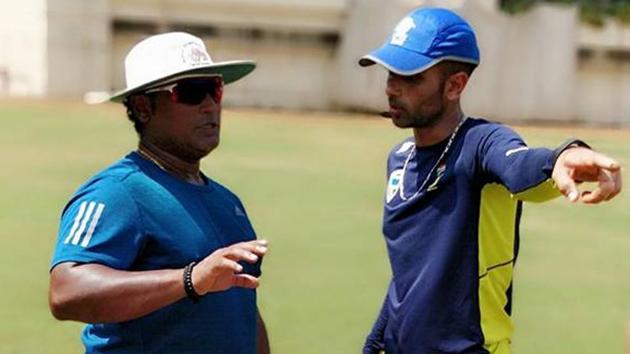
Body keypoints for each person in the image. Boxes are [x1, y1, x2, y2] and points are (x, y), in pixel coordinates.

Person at [358, 7, 622, 354]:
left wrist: (563, 156)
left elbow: (519, 166)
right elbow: (411, 275)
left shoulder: (481, 144)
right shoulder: (400, 160)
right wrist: (376, 340)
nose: (392, 87)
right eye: (391, 72)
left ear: (455, 85)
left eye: (411, 77)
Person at [49, 32, 270, 354]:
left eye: (215, 89)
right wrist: (190, 279)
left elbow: (243, 311)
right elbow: (66, 292)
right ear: (143, 107)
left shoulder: (227, 201)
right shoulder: (117, 191)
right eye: (191, 92)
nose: (209, 105)